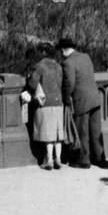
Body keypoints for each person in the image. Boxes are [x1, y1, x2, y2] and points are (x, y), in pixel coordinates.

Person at [59, 37, 104, 169]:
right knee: (96, 130)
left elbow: (70, 83)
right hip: (94, 96)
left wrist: (66, 97)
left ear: (63, 50)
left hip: (81, 100)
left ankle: (83, 160)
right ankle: (99, 157)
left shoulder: (67, 62)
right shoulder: (86, 56)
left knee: (82, 130)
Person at [25, 42, 64, 170]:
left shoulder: (40, 66)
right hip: (58, 102)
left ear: (42, 52)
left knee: (48, 132)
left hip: (45, 102)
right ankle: (58, 158)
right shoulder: (58, 66)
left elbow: (32, 84)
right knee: (58, 133)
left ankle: (49, 161)